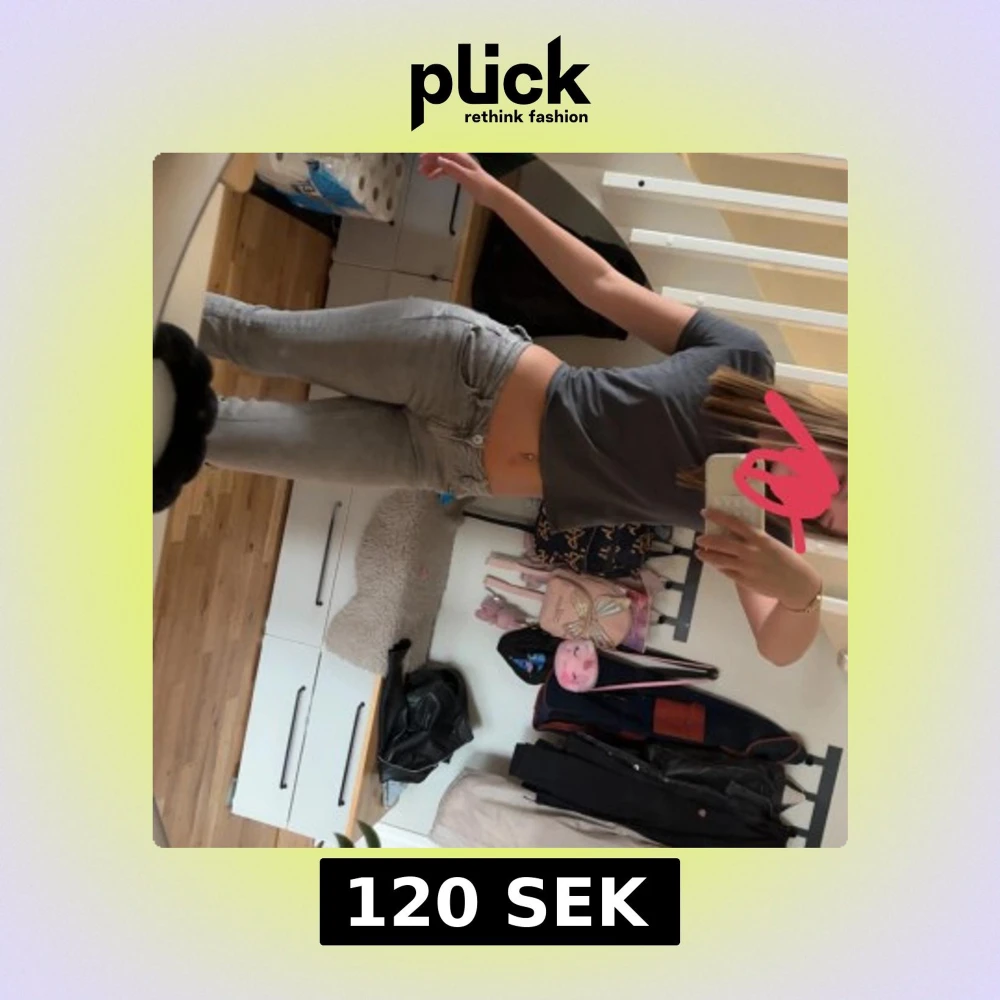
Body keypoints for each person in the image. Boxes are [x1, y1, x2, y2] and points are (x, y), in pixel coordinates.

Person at [195, 153, 847, 667]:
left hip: (447, 464)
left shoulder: (753, 529)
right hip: (464, 368)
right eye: (842, 483)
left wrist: (805, 593)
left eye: (828, 519)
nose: (819, 501)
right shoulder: (744, 362)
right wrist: (496, 194)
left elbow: (777, 648)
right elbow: (603, 286)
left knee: (217, 438)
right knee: (253, 337)